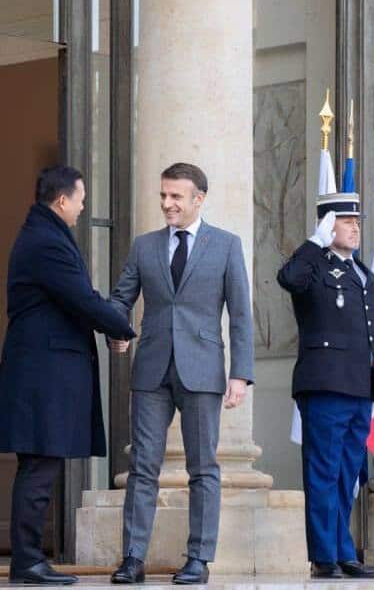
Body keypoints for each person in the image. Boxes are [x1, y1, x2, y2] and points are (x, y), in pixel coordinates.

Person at [0, 165, 136, 585]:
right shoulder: (46, 242)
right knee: (39, 466)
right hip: (42, 373)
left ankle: (30, 558)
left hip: (42, 371)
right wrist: (122, 327)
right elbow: (81, 297)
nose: (83, 206)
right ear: (62, 200)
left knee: (41, 464)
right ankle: (28, 560)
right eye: (81, 199)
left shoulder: (45, 235)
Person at [107, 163, 253, 586]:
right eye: (163, 196)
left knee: (203, 467)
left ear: (197, 199)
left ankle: (198, 559)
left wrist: (240, 375)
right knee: (142, 467)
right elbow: (121, 299)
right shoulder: (144, 246)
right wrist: (118, 332)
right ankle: (133, 558)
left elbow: (241, 315)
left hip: (203, 371)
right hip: (152, 368)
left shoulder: (226, 245)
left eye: (176, 197)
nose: (167, 204)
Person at [276, 192, 374, 579]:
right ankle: (324, 555)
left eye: (357, 221)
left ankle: (343, 550)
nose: (355, 227)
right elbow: (288, 278)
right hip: (324, 385)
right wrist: (314, 242)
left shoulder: (363, 274)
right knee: (323, 471)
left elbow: (372, 334)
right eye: (345, 221)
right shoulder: (314, 267)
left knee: (346, 473)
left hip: (359, 386)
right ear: (327, 225)